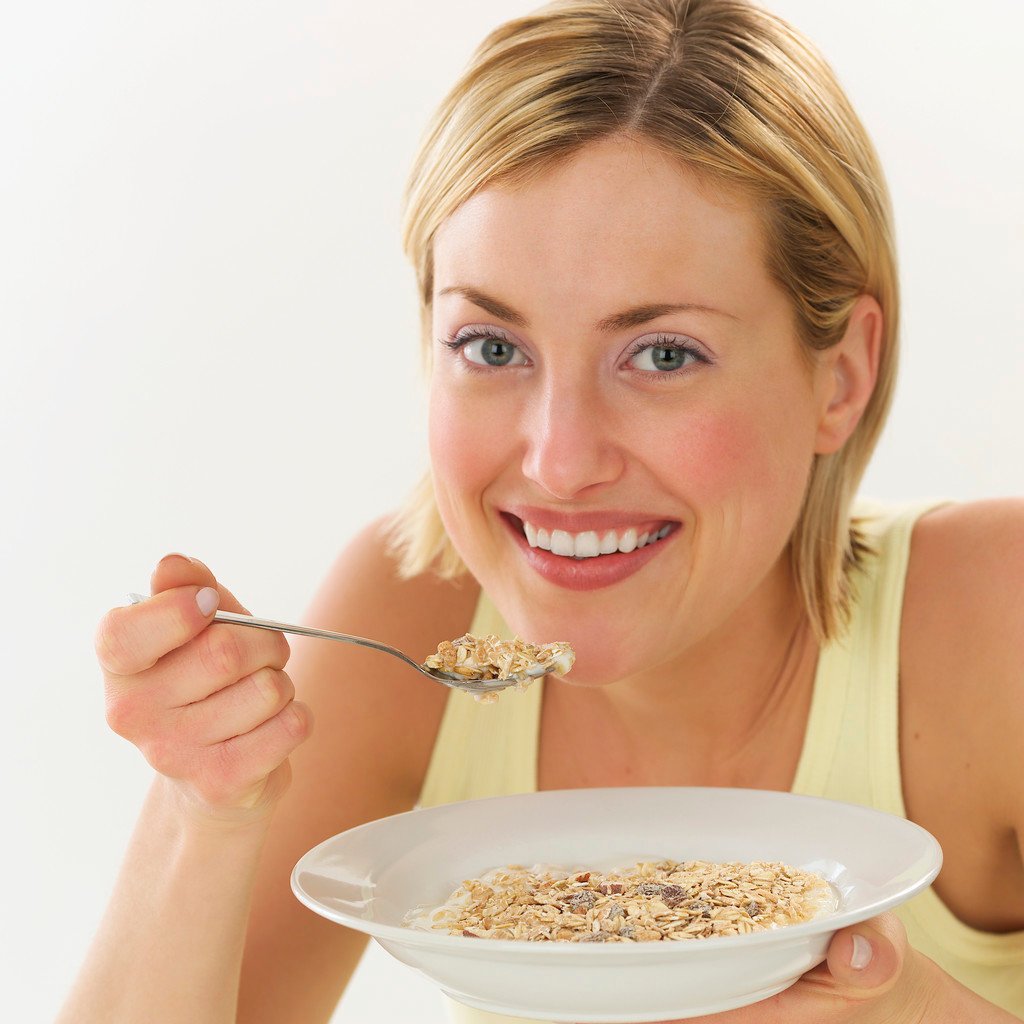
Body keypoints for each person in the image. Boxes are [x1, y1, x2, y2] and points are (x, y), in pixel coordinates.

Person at [59, 0, 1023, 1021]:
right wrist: (202, 806)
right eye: (491, 347)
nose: (559, 463)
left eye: (661, 354)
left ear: (840, 375)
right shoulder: (409, 609)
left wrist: (909, 1008)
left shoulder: (997, 618)